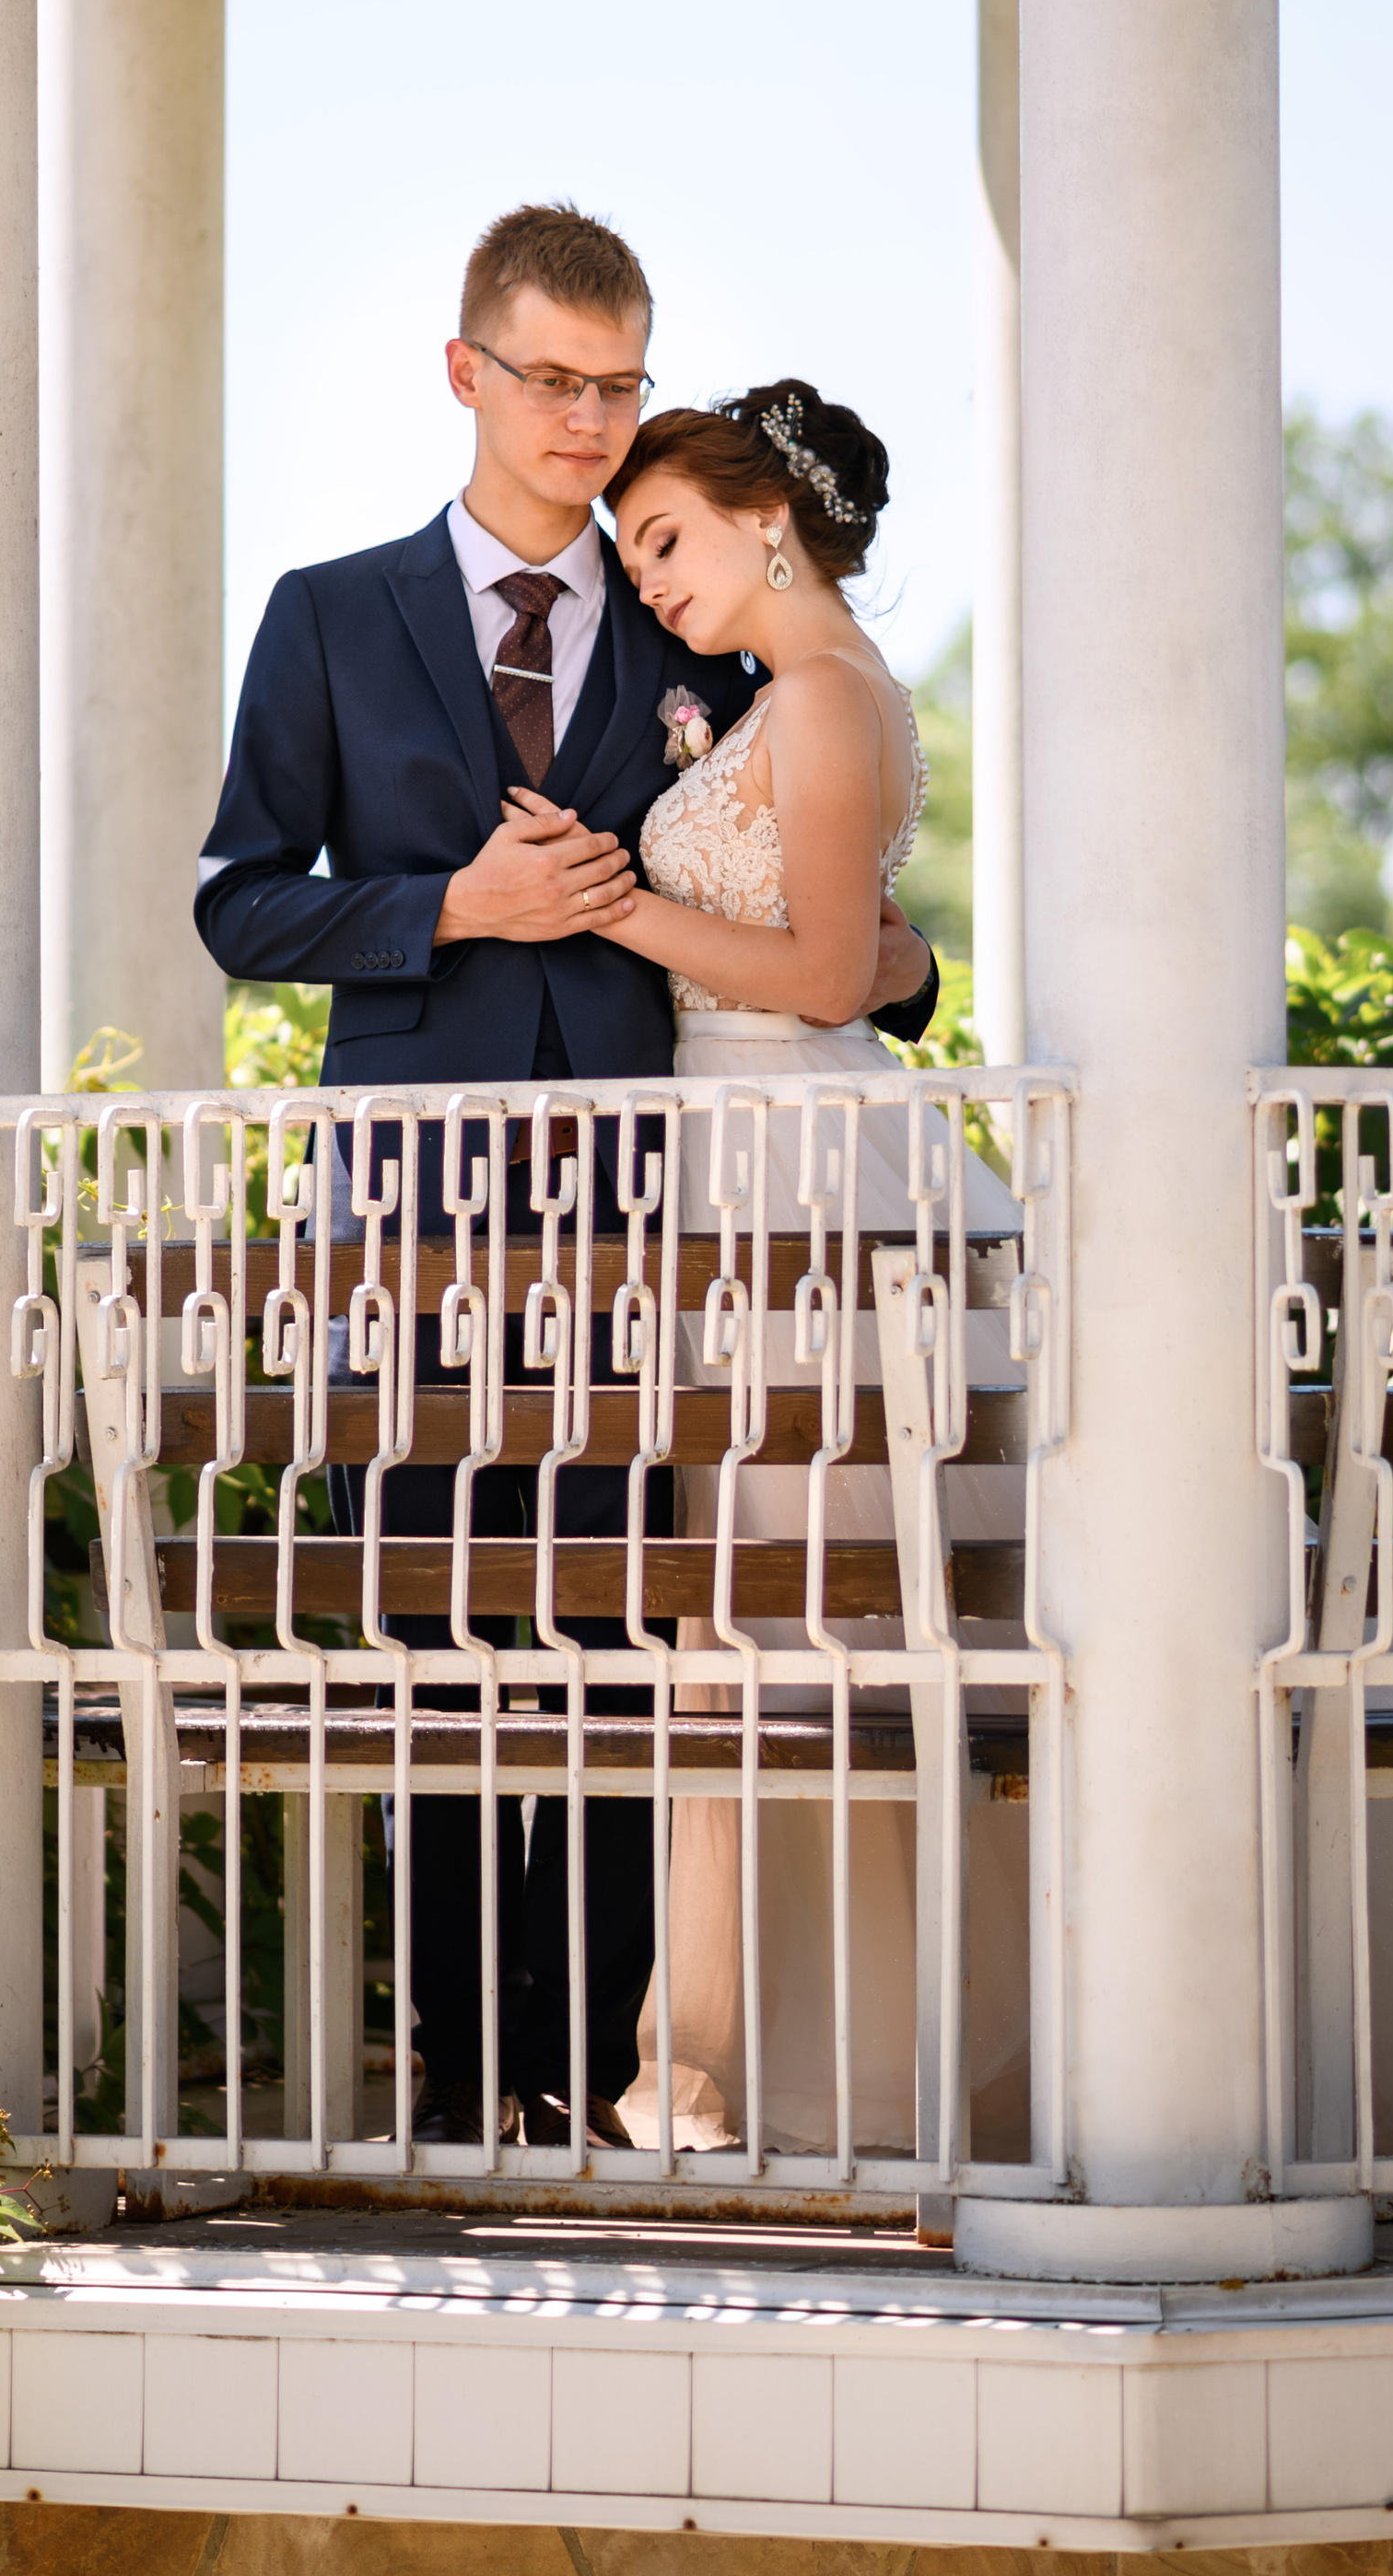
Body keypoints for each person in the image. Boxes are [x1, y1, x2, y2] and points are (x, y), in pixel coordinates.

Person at [193, 208, 940, 2153]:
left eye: (622, 383)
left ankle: (592, 2068)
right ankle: (459, 2075)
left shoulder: (692, 612)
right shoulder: (328, 615)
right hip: (413, 1220)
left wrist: (900, 968)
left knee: (622, 1636)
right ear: (467, 373)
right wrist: (453, 904)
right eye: (554, 379)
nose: (592, 420)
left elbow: (819, 864)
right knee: (440, 1636)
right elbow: (240, 904)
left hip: (654, 1214)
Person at [588, 382, 1030, 2160]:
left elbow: (837, 975)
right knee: (753, 1608)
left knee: (808, 1608)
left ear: (767, 519)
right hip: (740, 1150)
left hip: (805, 1164)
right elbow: (870, 953)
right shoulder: (794, 699)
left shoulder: (832, 696)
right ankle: (760, 2055)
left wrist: (619, 906)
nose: (648, 580)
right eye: (631, 556)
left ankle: (849, 2062)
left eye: (666, 539)